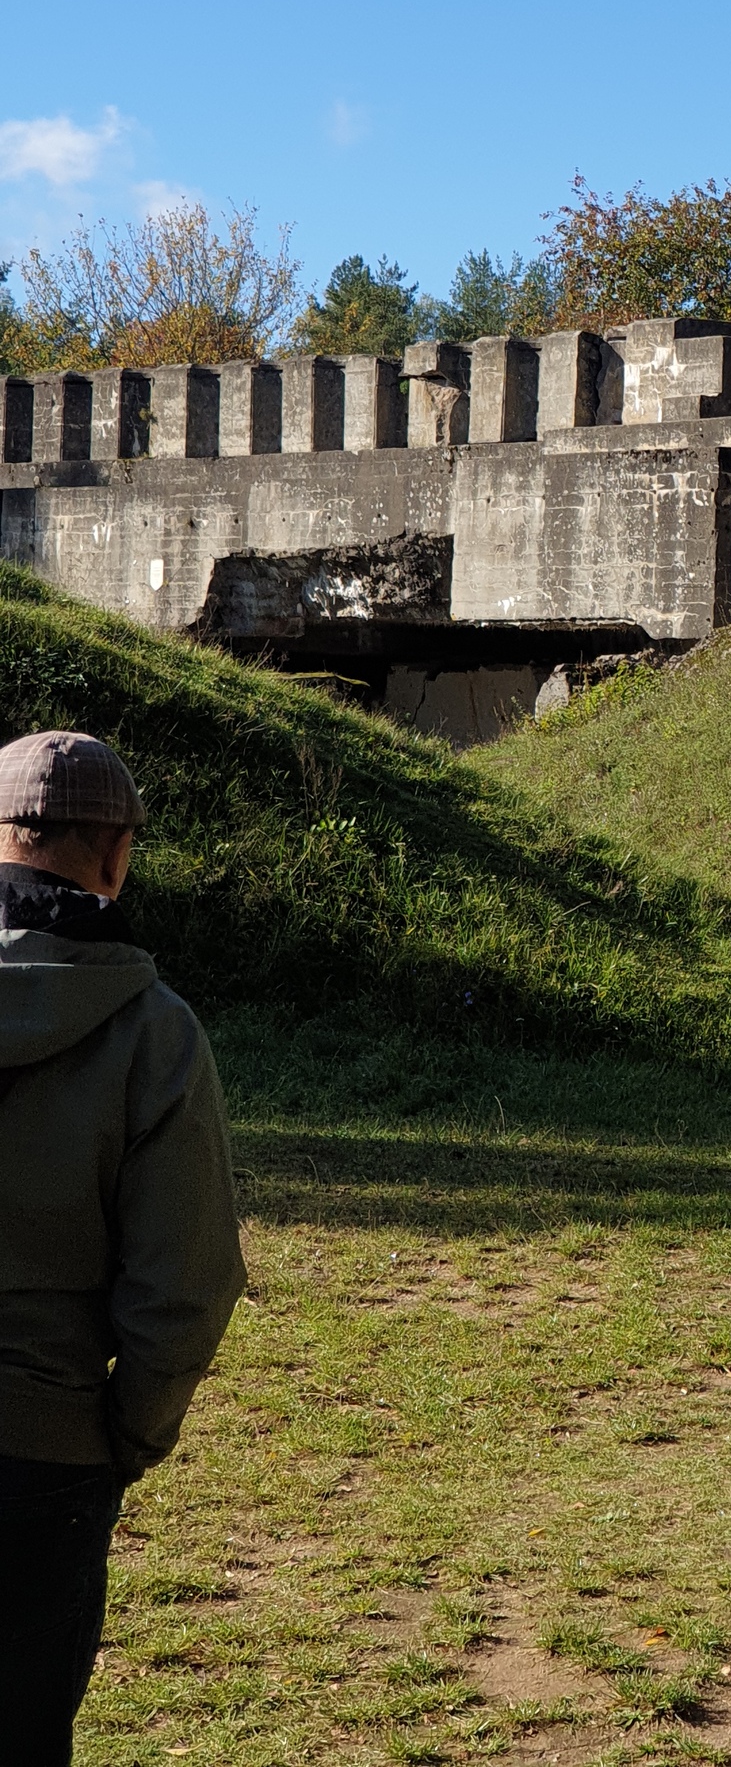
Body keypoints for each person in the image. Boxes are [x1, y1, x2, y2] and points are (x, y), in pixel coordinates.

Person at [0, 729, 245, 1765]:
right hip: (44, 1459)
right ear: (117, 857)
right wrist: (124, 1437)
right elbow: (183, 1284)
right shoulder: (156, 1034)